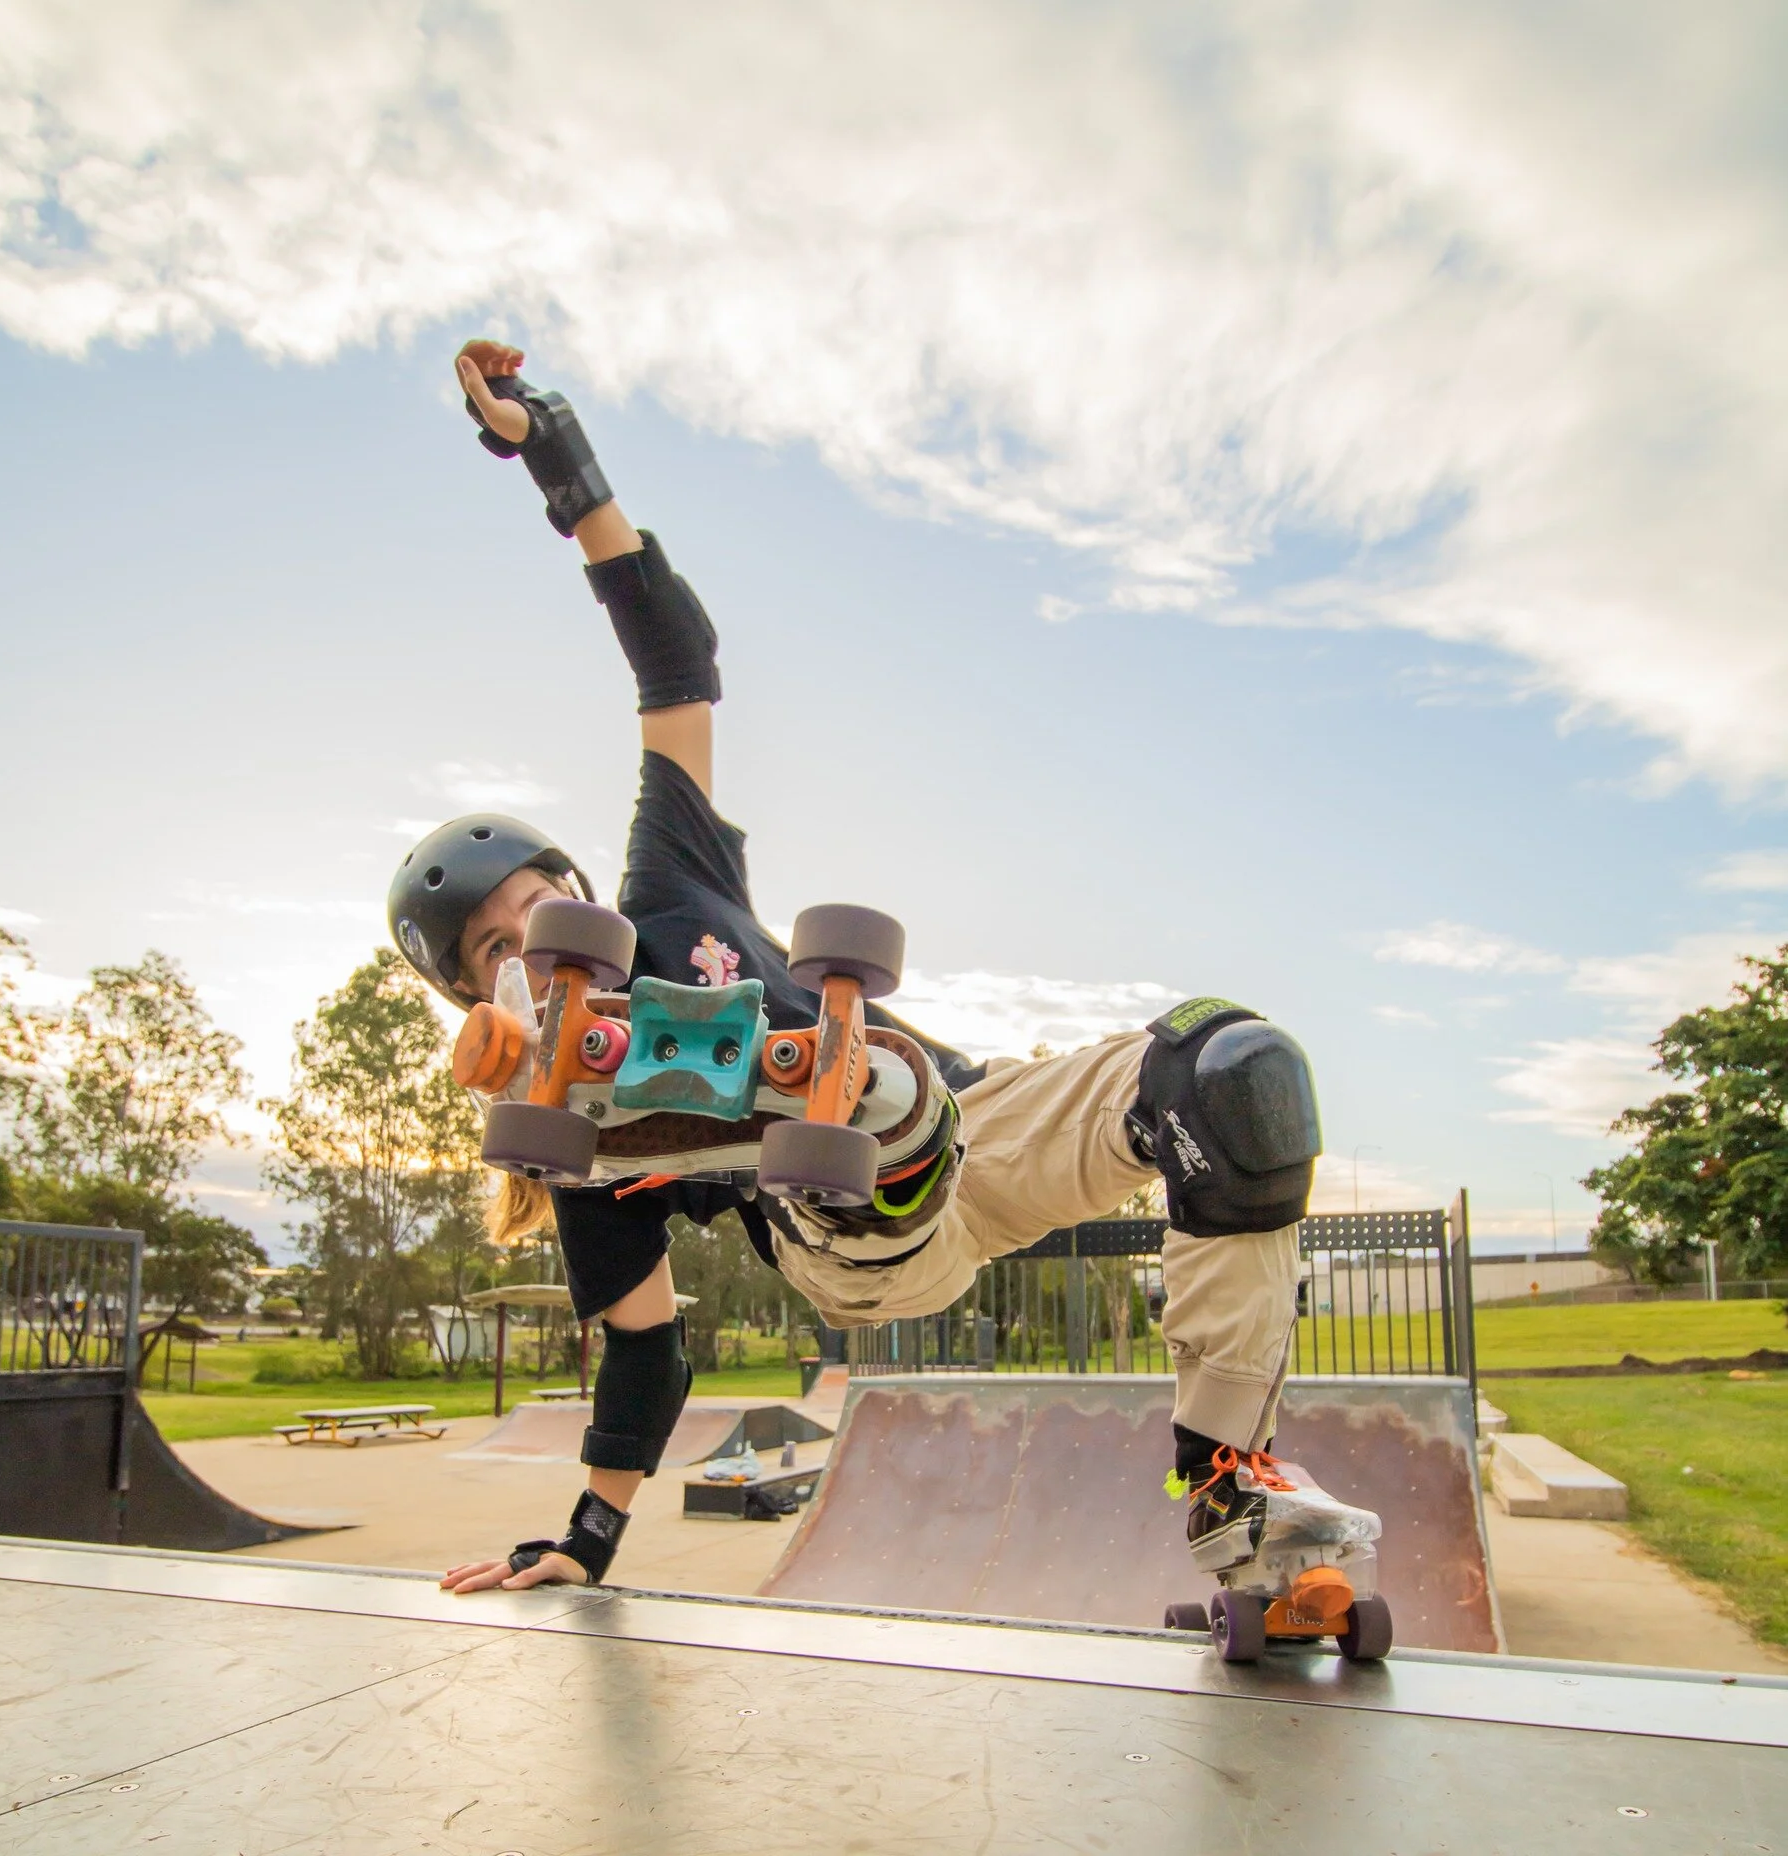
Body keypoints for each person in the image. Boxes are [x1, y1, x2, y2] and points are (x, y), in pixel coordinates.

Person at [397, 341, 1375, 1598]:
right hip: (841, 1229)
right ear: (484, 1001)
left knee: (1229, 1072)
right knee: (864, 1119)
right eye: (499, 947)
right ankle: (847, 1117)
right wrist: (581, 1539)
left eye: (541, 903)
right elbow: (646, 1356)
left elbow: (675, 664)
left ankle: (1227, 1484)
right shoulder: (569, 1150)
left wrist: (560, 458)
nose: (533, 935)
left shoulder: (667, 876)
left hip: (989, 1120)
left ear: (582, 889)